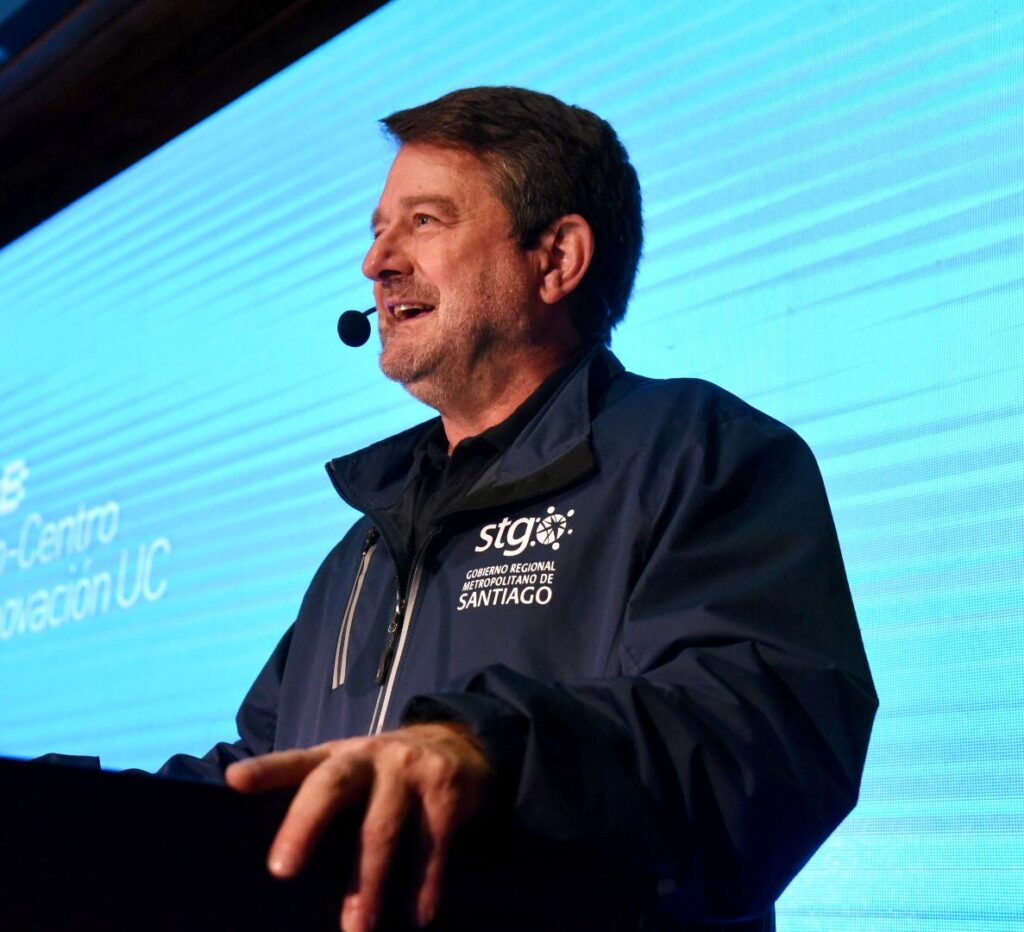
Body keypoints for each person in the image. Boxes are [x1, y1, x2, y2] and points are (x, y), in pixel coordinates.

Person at [160, 86, 877, 931]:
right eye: (378, 230)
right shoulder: (362, 551)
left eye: (424, 221)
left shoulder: (695, 451)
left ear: (557, 258)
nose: (377, 262)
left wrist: (487, 753)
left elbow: (761, 737)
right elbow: (265, 776)